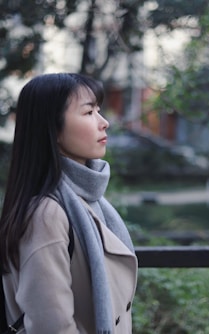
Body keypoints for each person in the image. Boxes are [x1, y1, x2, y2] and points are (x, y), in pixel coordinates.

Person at [0, 73, 138, 333]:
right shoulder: (46, 215)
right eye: (88, 113)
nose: (104, 122)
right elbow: (51, 325)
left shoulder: (88, 201)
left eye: (99, 110)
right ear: (53, 130)